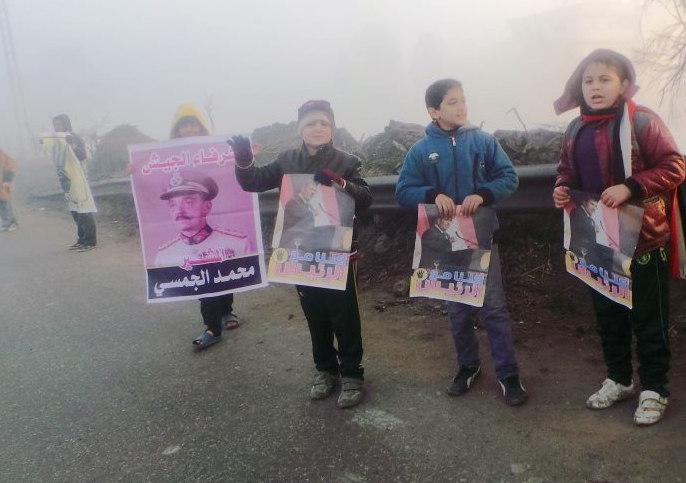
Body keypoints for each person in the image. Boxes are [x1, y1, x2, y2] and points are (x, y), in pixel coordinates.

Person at [552, 49, 686, 426]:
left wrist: (631, 187)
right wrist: (562, 188)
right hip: (596, 240)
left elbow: (675, 166)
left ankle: (655, 389)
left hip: (644, 240)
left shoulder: (642, 120)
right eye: (588, 81)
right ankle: (620, 379)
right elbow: (566, 169)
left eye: (604, 79)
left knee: (649, 319)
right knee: (608, 315)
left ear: (624, 84)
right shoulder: (575, 128)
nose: (595, 87)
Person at [230, 100, 372, 409]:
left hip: (338, 252)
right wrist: (243, 161)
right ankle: (325, 370)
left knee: (344, 316)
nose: (317, 128)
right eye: (310, 123)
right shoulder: (287, 160)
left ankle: (352, 374)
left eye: (324, 123)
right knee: (315, 315)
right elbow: (253, 182)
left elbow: (365, 199)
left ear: (332, 127)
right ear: (300, 129)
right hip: (300, 251)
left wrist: (340, 182)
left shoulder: (347, 161)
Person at [395, 78, 528, 407]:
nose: (461, 106)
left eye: (463, 100)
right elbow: (402, 191)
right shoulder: (421, 150)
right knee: (457, 308)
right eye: (452, 102)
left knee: (494, 306)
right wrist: (431, 195)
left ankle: (508, 373)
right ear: (434, 111)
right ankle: (468, 366)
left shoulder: (483, 141)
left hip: (483, 238)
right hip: (445, 242)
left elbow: (509, 178)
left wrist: (483, 194)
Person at [160, 104, 243, 349]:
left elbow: (231, 167)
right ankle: (212, 328)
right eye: (183, 125)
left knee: (223, 266)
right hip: (189, 248)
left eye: (192, 124)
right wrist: (134, 170)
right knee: (202, 279)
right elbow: (147, 173)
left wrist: (246, 155)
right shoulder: (164, 156)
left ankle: (226, 311)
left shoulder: (214, 150)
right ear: (176, 130)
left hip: (216, 232)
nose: (188, 129)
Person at [52, 114, 97, 251]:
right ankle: (81, 239)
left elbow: (82, 156)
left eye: (58, 124)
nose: (56, 127)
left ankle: (90, 241)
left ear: (65, 124)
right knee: (75, 210)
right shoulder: (57, 139)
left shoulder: (73, 137)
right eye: (54, 125)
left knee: (83, 209)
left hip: (78, 178)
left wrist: (72, 144)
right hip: (66, 178)